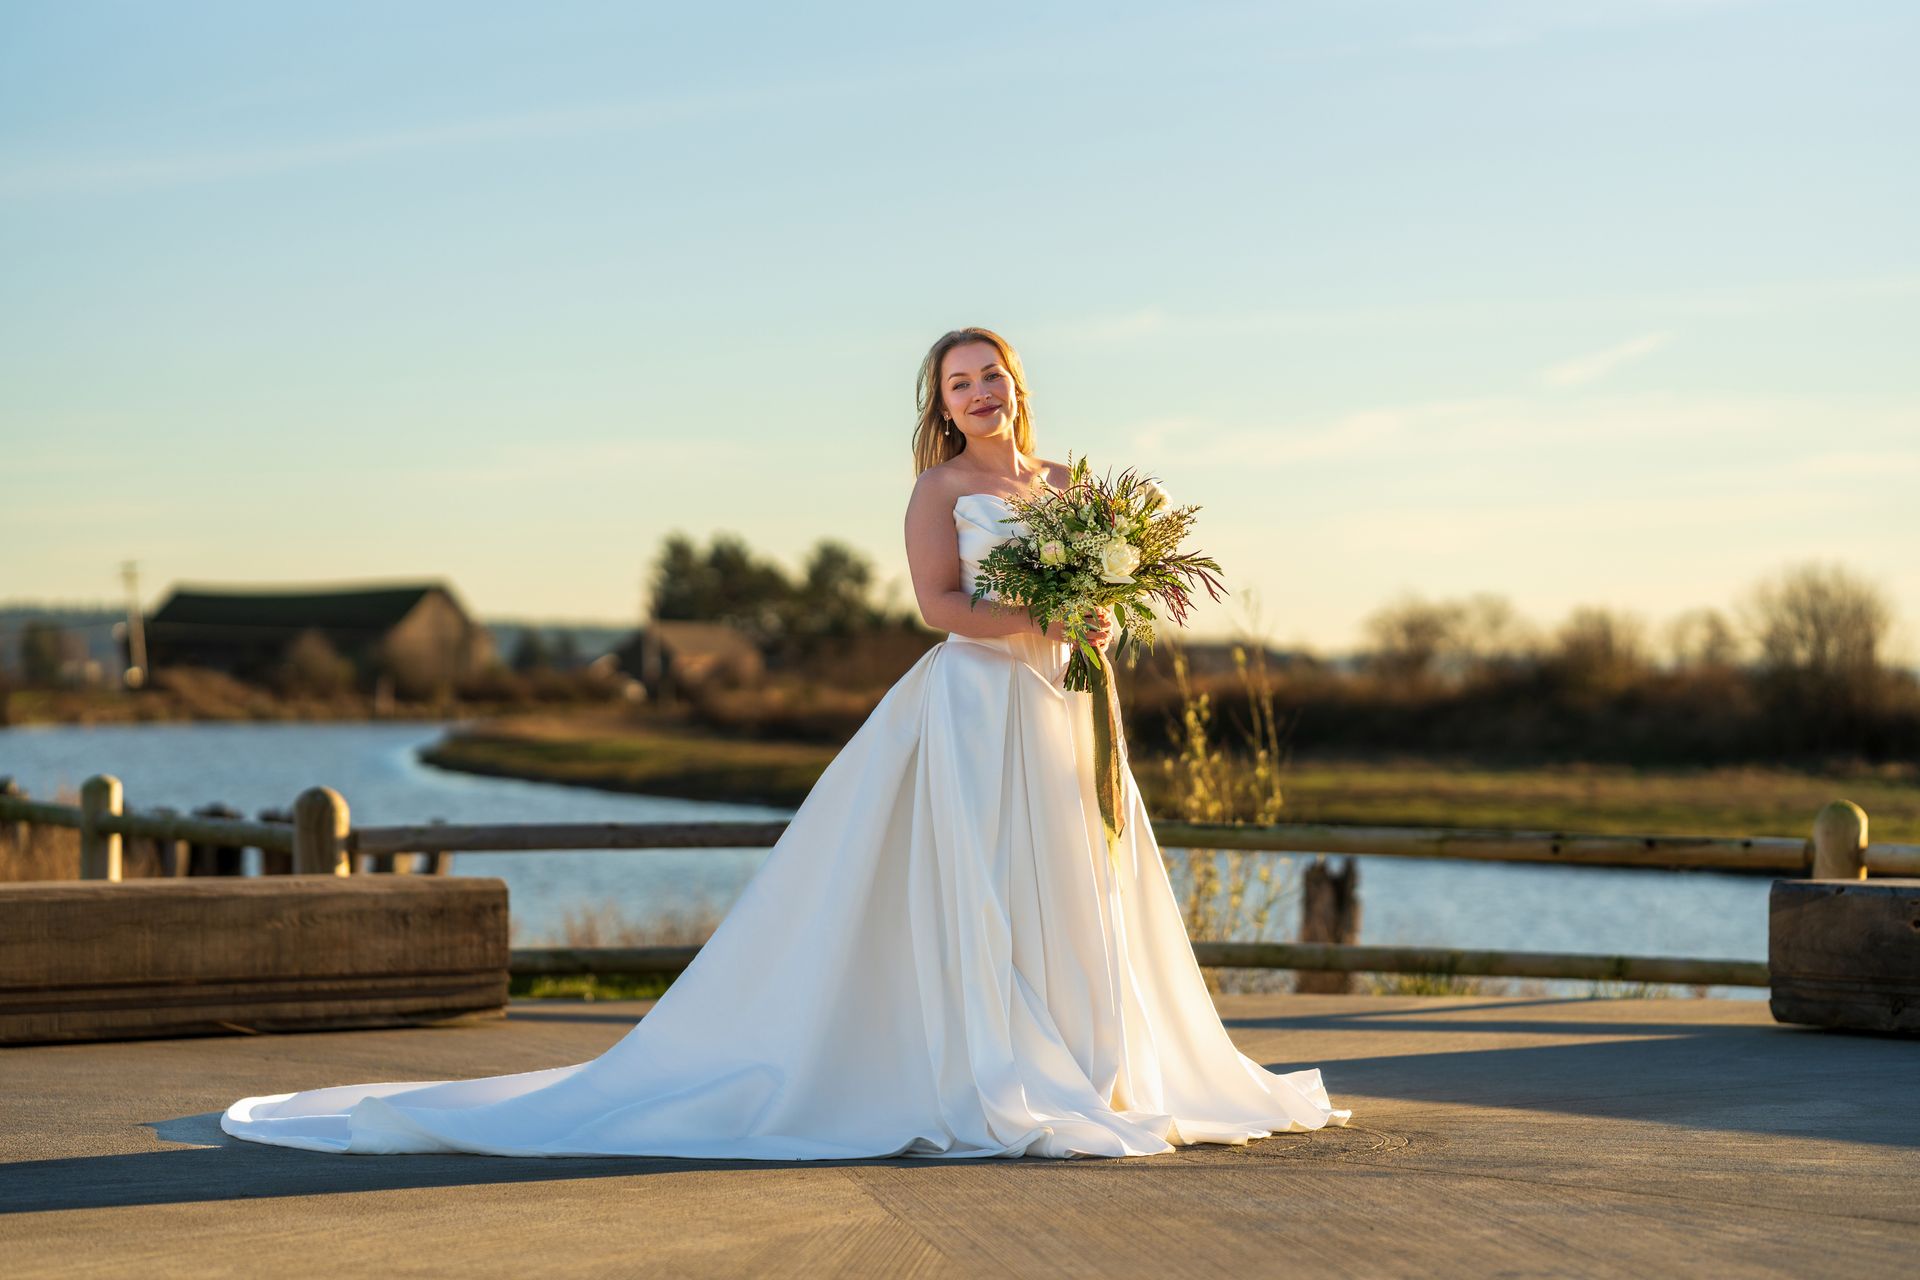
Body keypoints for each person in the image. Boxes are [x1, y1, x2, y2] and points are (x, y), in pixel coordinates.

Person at [220, 326, 1353, 1160]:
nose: (979, 393)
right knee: (983, 881)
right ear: (941, 403)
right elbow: (938, 606)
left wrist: (1094, 620)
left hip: (1062, 701)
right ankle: (990, 1063)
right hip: (970, 702)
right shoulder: (939, 487)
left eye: (991, 374)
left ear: (1017, 382)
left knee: (1076, 878)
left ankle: (1097, 1060)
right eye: (958, 383)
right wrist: (1038, 619)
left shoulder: (1068, 484)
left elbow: (1095, 592)